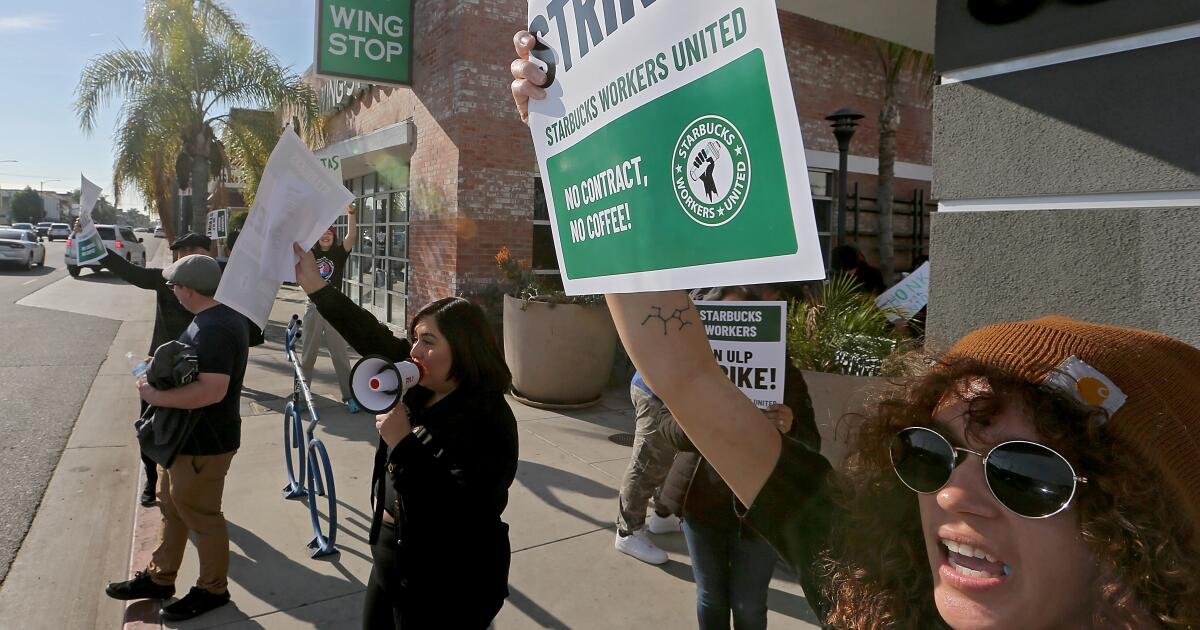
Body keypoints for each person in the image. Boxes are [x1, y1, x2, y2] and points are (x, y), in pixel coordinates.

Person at [511, 35, 1200, 627]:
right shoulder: (873, 583)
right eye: (929, 454)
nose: (952, 494)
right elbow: (685, 374)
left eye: (1022, 471)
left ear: (1141, 524)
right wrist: (577, 148)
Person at [293, 244, 519, 629]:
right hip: (392, 554)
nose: (414, 351)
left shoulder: (490, 418)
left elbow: (466, 510)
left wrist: (404, 445)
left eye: (428, 341)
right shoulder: (418, 384)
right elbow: (368, 333)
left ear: (463, 349)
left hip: (449, 578)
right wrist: (317, 288)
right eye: (414, 338)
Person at [657, 286, 819, 630]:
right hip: (701, 505)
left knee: (748, 606)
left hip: (761, 510)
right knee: (711, 598)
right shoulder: (690, 374)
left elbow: (812, 442)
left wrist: (789, 426)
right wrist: (701, 418)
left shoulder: (781, 369)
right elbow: (665, 429)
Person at [105, 254, 250, 622]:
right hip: (186, 442)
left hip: (206, 443)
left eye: (174, 285)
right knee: (172, 505)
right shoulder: (209, 319)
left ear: (189, 290)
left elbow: (212, 390)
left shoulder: (217, 328)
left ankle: (213, 589)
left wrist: (155, 397)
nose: (171, 291)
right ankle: (160, 578)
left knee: (203, 517)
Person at [98, 230, 213, 507]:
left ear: (206, 253)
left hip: (197, 369)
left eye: (192, 251)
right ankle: (152, 481)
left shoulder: (218, 284)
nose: (185, 257)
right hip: (158, 368)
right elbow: (130, 272)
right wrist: (92, 242)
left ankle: (188, 483)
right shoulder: (165, 279)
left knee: (194, 431)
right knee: (150, 428)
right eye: (180, 253)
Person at [297, 206, 359, 413]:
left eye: (329, 233)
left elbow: (351, 236)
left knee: (340, 355)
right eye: (321, 233)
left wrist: (351, 214)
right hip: (314, 307)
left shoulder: (339, 254)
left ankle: (349, 396)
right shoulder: (310, 253)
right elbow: (296, 241)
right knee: (308, 355)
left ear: (333, 237)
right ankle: (301, 396)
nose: (325, 236)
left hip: (335, 309)